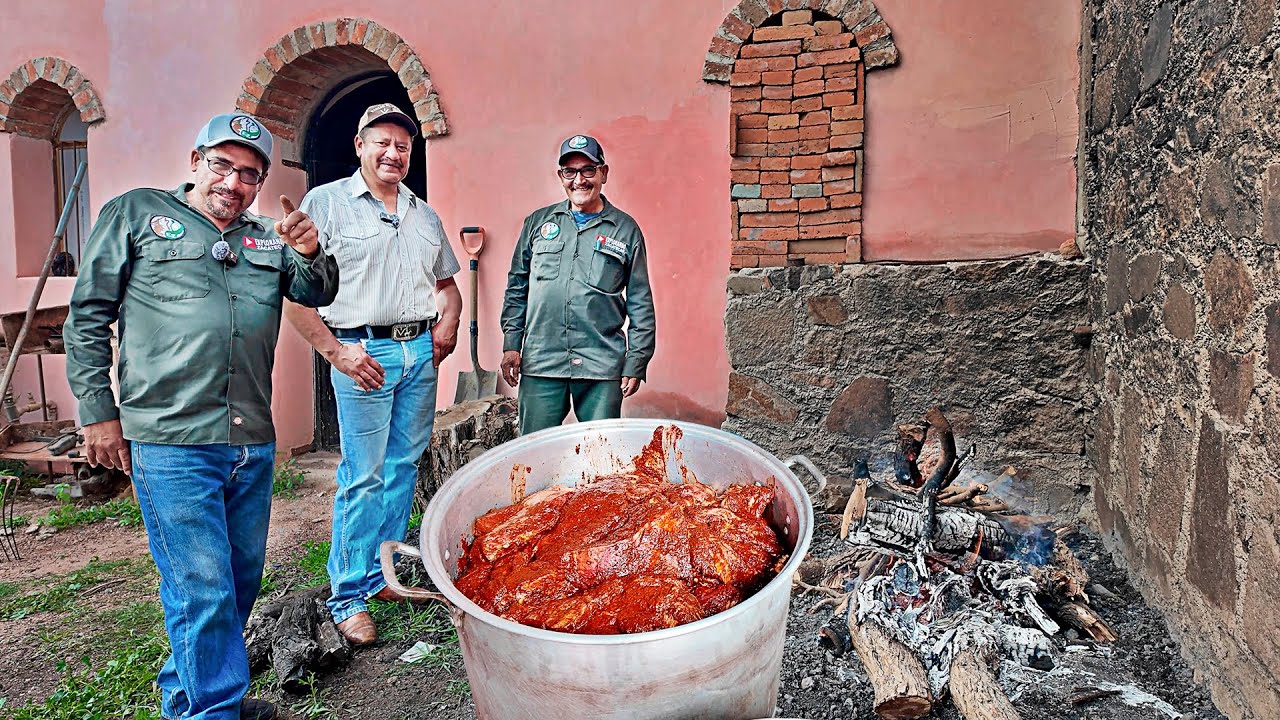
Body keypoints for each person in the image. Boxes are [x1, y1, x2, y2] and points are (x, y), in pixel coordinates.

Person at [63, 112, 339, 720]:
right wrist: (97, 412)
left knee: (235, 583)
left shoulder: (266, 238)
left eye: (250, 173)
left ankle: (188, 697)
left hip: (250, 439)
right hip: (170, 440)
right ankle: (215, 711)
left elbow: (317, 291)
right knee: (203, 588)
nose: (234, 182)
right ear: (196, 160)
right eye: (223, 164)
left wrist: (312, 250)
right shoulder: (136, 214)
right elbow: (86, 317)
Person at [283, 103, 462, 646]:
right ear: (359, 145)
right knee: (363, 474)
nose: (393, 153)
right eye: (381, 142)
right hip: (365, 356)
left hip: (418, 355)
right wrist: (337, 353)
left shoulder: (423, 214)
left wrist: (449, 322)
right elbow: (295, 294)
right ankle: (348, 595)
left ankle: (382, 575)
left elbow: (447, 285)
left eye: (403, 146)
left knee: (404, 466)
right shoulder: (326, 205)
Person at [500, 134, 656, 435]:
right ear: (561, 177)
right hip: (542, 361)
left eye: (588, 170)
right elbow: (517, 286)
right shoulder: (537, 223)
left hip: (601, 364)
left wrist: (637, 359)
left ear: (603, 173)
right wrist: (511, 344)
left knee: (602, 458)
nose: (579, 180)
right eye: (570, 172)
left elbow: (640, 301)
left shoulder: (625, 230)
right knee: (535, 456)